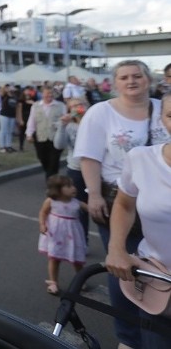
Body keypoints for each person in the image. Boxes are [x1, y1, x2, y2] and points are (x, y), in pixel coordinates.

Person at [74, 59, 170, 349]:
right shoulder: (101, 112)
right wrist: (94, 193)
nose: (131, 81)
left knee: (159, 269)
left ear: (148, 80)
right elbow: (89, 156)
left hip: (158, 200)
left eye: (137, 76)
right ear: (115, 83)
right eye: (124, 77)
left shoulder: (161, 107)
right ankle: (129, 336)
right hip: (119, 197)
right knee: (125, 268)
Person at [105, 92, 171, 348]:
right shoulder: (141, 159)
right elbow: (123, 203)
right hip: (158, 282)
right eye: (170, 115)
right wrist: (116, 248)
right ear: (162, 121)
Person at [37, 174, 87, 295]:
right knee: (54, 258)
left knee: (77, 260)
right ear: (57, 189)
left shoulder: (76, 203)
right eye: (68, 186)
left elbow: (90, 209)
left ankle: (81, 279)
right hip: (56, 235)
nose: (73, 188)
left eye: (73, 185)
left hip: (73, 235)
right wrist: (42, 225)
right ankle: (53, 282)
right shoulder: (51, 202)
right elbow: (43, 213)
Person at [53, 98, 90, 246]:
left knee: (103, 208)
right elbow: (58, 145)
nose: (77, 108)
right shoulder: (69, 126)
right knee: (79, 208)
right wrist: (62, 125)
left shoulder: (95, 122)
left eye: (80, 104)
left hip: (98, 171)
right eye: (73, 106)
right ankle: (82, 241)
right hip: (76, 170)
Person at [25, 88, 68, 179]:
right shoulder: (36, 106)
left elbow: (65, 121)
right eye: (47, 94)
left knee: (54, 160)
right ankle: (52, 176)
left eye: (51, 94)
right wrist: (29, 134)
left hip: (55, 137)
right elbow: (32, 121)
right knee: (42, 158)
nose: (49, 96)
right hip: (40, 137)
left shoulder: (61, 105)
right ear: (42, 94)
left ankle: (51, 180)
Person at [0, 85, 17, 153]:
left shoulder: (14, 96)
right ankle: (2, 146)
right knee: (3, 131)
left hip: (12, 115)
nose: (11, 90)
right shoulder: (4, 96)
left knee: (10, 131)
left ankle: (9, 146)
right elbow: (1, 92)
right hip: (4, 115)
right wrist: (6, 88)